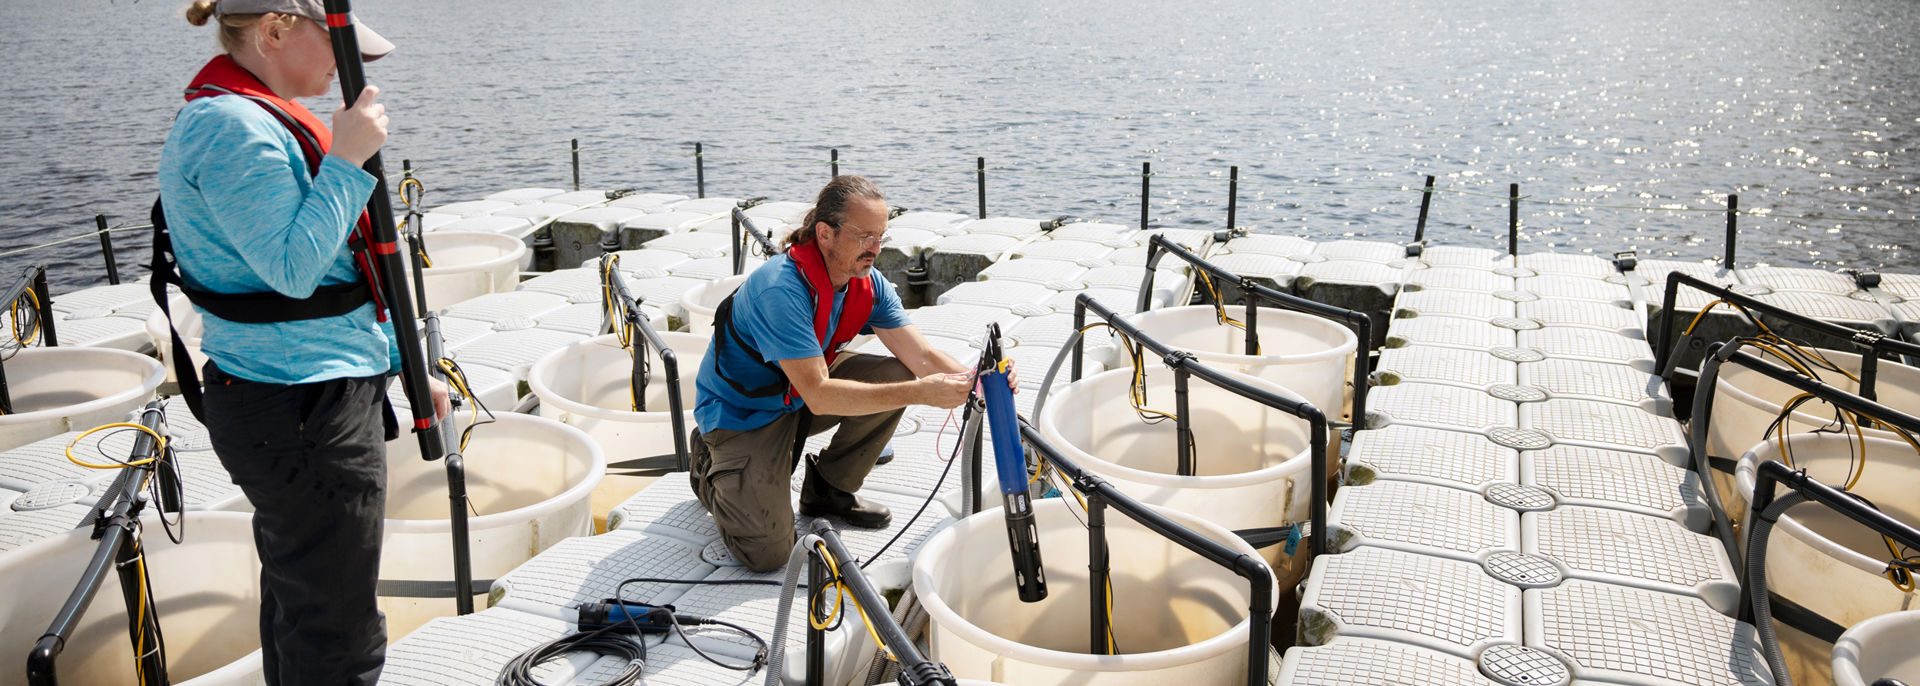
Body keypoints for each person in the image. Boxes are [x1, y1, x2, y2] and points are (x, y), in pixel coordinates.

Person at [156, 2, 444, 684]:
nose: (349, 67)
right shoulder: (229, 128)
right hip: (299, 407)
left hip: (306, 395)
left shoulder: (250, 116)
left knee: (305, 600)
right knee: (337, 632)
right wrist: (347, 156)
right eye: (338, 45)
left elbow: (346, 278)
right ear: (276, 30)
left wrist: (407, 364)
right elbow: (292, 271)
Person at [691, 175, 1005, 573]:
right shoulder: (780, 290)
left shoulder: (868, 283)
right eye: (864, 237)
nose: (875, 249)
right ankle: (707, 465)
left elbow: (921, 356)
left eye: (881, 237)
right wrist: (921, 393)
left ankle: (829, 490)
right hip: (743, 413)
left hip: (799, 391)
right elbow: (820, 393)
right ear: (825, 233)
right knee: (767, 555)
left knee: (897, 373)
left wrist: (985, 381)